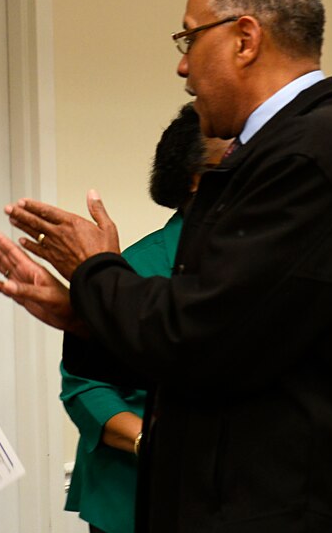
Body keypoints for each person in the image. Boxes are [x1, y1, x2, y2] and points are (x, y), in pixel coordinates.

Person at [0, 0, 332, 532]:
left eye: (188, 39)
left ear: (245, 38)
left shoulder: (306, 155)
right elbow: (235, 331)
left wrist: (96, 269)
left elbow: (202, 337)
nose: (181, 67)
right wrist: (84, 315)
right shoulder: (279, 151)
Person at [62, 103, 230, 533]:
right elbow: (85, 385)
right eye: (235, 158)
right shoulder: (137, 267)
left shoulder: (253, 260)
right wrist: (152, 445)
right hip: (134, 492)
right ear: (197, 178)